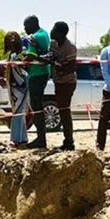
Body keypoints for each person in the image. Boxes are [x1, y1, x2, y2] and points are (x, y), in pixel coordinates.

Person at [0, 31, 29, 146]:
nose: (12, 41)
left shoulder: (22, 53)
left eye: (14, 39)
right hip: (13, 86)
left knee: (17, 113)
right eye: (9, 40)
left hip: (21, 86)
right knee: (18, 112)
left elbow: (23, 68)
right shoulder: (11, 55)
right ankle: (22, 138)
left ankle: (15, 139)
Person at [23, 15, 53, 149]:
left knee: (36, 106)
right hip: (44, 72)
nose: (24, 28)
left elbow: (31, 56)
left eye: (26, 26)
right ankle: (41, 137)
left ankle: (41, 139)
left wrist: (19, 63)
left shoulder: (34, 37)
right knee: (37, 105)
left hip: (36, 74)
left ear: (32, 24)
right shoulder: (44, 33)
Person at [47, 21, 77, 150]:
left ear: (61, 33)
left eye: (54, 29)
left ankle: (69, 142)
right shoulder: (53, 44)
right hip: (58, 82)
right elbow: (50, 57)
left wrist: (59, 66)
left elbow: (72, 67)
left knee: (65, 112)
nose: (52, 31)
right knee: (62, 110)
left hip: (67, 83)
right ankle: (67, 141)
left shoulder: (69, 47)